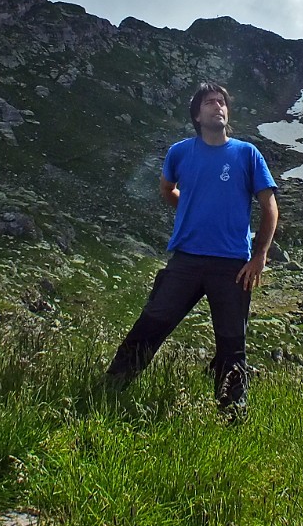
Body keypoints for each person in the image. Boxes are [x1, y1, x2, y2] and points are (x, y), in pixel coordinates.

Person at [107, 81, 279, 417]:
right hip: (186, 259)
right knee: (152, 322)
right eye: (210, 102)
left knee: (232, 341)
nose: (219, 107)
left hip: (232, 264)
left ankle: (232, 411)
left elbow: (269, 207)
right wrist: (192, 210)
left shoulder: (247, 154)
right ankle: (111, 387)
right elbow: (167, 189)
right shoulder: (180, 152)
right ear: (197, 115)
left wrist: (259, 256)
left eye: (222, 102)